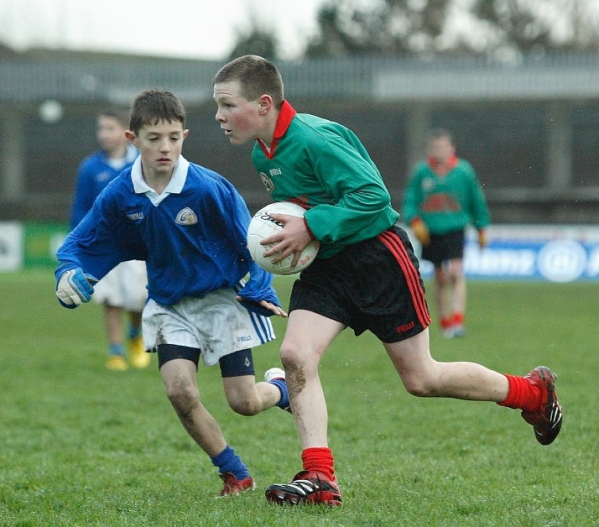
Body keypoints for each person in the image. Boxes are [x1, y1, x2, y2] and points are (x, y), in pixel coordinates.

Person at [212, 55, 563, 507]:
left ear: (263, 103)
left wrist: (312, 224)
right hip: (328, 268)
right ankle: (320, 477)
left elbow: (374, 197)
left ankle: (531, 393)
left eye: (226, 105)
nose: (219, 117)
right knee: (296, 355)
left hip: (378, 259)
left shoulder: (314, 138)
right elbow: (305, 215)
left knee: (422, 378)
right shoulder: (264, 152)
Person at [55, 89, 291, 497]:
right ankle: (234, 472)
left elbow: (249, 241)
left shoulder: (208, 188)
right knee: (180, 392)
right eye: (153, 139)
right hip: (168, 304)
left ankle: (281, 388)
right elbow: (83, 241)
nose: (165, 148)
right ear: (134, 139)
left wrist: (258, 286)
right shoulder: (120, 193)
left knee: (244, 402)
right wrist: (68, 271)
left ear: (184, 135)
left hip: (222, 300)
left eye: (173, 138)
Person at [71, 111, 150, 370]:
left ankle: (135, 336)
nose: (103, 134)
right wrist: (81, 244)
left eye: (109, 128)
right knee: (111, 300)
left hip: (137, 244)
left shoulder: (143, 162)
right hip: (104, 244)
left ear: (126, 132)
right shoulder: (90, 167)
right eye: (100, 128)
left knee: (138, 299)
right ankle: (115, 352)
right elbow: (81, 209)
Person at [402, 128, 491, 338]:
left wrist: (482, 227)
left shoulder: (464, 171)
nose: (438, 150)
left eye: (442, 146)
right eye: (434, 147)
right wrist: (414, 220)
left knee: (455, 272)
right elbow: (410, 200)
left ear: (451, 148)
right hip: (431, 232)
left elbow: (476, 200)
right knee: (440, 278)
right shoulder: (421, 172)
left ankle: (458, 321)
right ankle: (445, 321)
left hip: (455, 229)